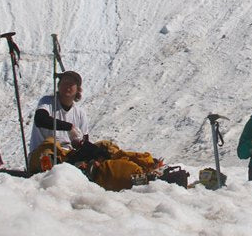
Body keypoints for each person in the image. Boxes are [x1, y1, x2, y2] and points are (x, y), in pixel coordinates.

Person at [28, 71, 164, 191]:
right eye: (64, 83)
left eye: (72, 84)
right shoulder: (48, 102)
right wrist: (69, 127)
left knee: (107, 146)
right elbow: (41, 119)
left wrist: (94, 153)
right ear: (58, 86)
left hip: (69, 155)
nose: (67, 86)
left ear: (77, 90)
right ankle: (125, 177)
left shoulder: (79, 113)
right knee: (51, 143)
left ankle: (147, 165)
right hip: (45, 155)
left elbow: (84, 142)